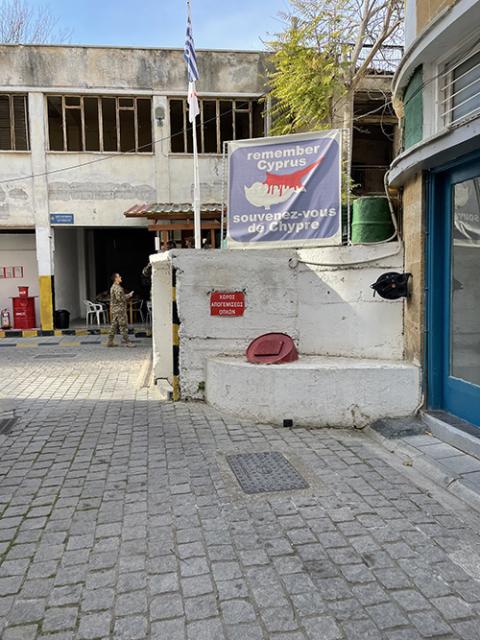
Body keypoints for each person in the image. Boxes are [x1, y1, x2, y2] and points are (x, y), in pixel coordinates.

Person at [106, 273, 136, 348]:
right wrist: (129, 295)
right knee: (123, 325)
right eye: (119, 276)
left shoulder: (114, 287)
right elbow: (120, 298)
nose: (120, 277)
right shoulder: (117, 288)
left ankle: (110, 341)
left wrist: (127, 295)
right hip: (119, 310)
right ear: (116, 278)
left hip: (116, 309)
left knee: (114, 325)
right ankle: (128, 342)